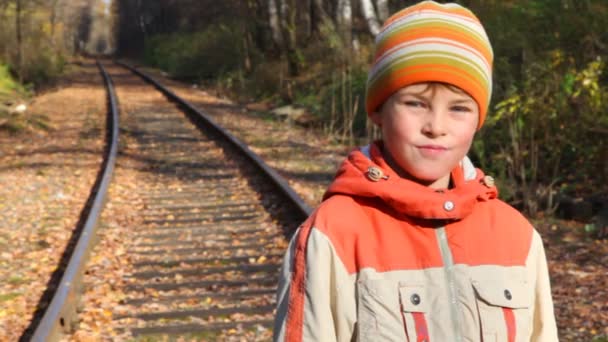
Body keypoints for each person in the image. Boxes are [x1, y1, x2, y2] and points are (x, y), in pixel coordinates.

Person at [273, 1, 558, 341]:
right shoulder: (335, 234)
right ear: (379, 110)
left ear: (478, 121)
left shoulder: (516, 235)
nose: (436, 126)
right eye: (415, 103)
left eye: (459, 108)